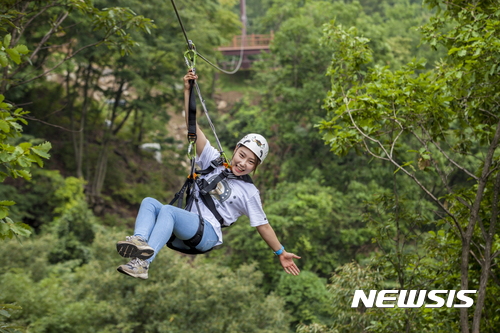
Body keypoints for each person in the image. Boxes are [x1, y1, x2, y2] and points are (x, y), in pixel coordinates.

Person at [115, 70, 301, 279]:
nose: (243, 163)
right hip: (188, 224)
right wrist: (188, 91)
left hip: (208, 234)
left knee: (168, 211)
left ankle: (142, 265)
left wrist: (281, 252)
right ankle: (139, 242)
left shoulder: (249, 192)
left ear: (255, 168)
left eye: (251, 162)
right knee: (149, 202)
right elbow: (192, 127)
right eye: (241, 155)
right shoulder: (213, 161)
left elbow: (263, 225)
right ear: (235, 149)